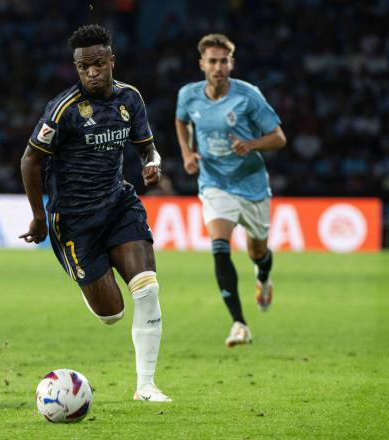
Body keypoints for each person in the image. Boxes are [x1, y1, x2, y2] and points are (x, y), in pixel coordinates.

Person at [19, 24, 170, 402]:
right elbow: (29, 161)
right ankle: (92, 282)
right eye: (83, 67)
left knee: (147, 288)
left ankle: (146, 387)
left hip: (118, 204)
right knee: (112, 314)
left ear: (111, 61)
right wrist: (39, 217)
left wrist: (153, 163)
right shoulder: (64, 109)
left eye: (98, 64)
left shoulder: (130, 100)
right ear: (76, 66)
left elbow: (147, 149)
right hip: (74, 220)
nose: (91, 73)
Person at [175, 34, 286, 348]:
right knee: (219, 245)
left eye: (224, 61)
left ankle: (263, 278)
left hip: (251, 185)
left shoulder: (248, 96)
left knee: (257, 252)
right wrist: (186, 152)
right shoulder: (188, 95)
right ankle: (239, 323)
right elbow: (181, 121)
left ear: (231, 63)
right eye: (212, 61)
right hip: (214, 183)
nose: (218, 67)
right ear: (202, 64)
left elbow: (279, 138)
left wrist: (251, 144)